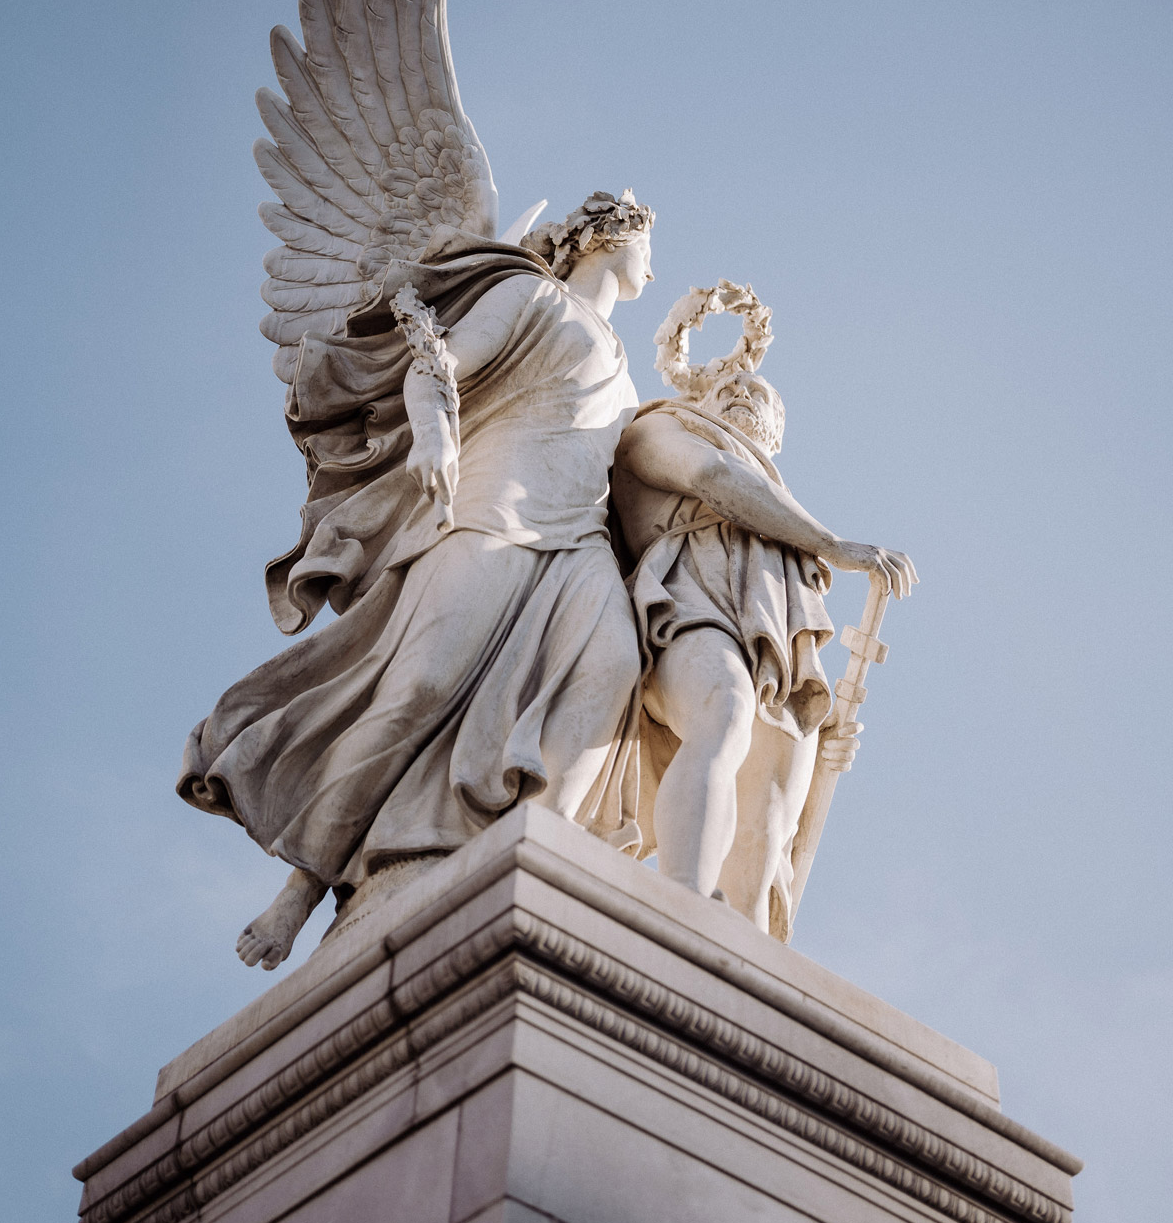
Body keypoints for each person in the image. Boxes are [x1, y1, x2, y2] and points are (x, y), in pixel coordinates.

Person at [179, 192, 654, 968]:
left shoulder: (629, 371)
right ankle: (303, 889)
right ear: (605, 238)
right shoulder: (532, 295)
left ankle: (541, 858)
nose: (653, 264)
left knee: (611, 672)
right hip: (493, 505)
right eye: (645, 242)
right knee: (420, 688)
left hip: (581, 538)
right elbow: (437, 367)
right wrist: (434, 436)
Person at [610, 360, 915, 938]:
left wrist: (828, 743)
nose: (743, 393)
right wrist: (833, 545)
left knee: (765, 831)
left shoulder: (780, 514)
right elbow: (714, 477)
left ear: (776, 433)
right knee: (722, 710)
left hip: (779, 654)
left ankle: (737, 968)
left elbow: (752, 500)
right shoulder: (660, 429)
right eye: (728, 388)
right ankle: (682, 904)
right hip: (687, 605)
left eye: (759, 394)